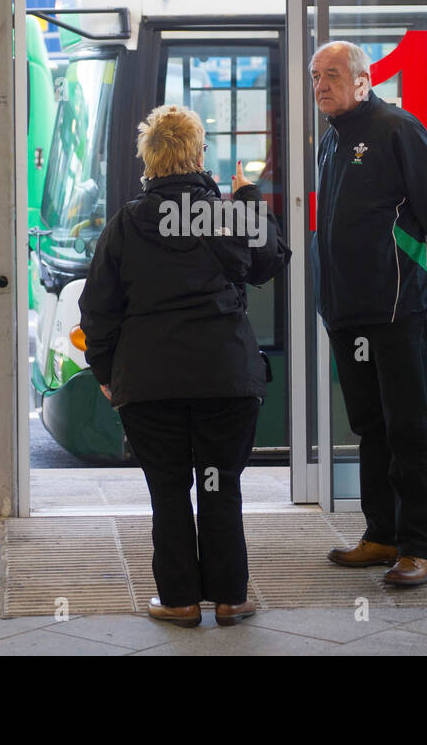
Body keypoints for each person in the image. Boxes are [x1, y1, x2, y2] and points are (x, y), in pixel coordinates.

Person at [78, 105, 291, 626]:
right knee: (220, 483)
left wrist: (107, 372)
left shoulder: (126, 223)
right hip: (225, 378)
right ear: (199, 156)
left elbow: (97, 310)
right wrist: (247, 198)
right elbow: (272, 259)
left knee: (169, 490)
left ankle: (177, 601)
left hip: (150, 384)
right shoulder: (226, 213)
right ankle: (229, 598)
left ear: (148, 162)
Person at [311, 40, 427, 586]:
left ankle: (421, 545)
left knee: (407, 424)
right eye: (315, 77)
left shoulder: (397, 128)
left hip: (397, 305)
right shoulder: (331, 142)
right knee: (369, 426)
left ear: (363, 79)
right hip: (347, 308)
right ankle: (381, 534)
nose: (321, 85)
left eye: (331, 75)